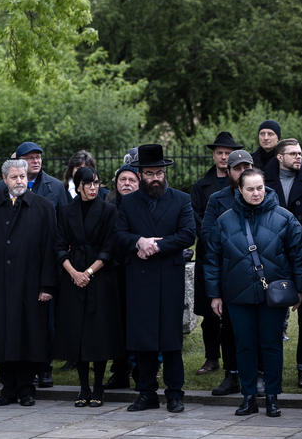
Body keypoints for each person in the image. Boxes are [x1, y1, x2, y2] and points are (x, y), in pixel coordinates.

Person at [206, 168, 302, 417]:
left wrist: (301, 289)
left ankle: (272, 398)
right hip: (237, 295)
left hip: (273, 295)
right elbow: (212, 259)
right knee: (245, 346)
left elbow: (300, 254)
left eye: (259, 188)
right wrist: (215, 294)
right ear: (239, 190)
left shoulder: (284, 218)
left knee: (272, 345)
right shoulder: (224, 220)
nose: (255, 193)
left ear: (266, 188)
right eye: (250, 188)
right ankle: (249, 397)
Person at [116, 144, 196, 413]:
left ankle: (175, 393)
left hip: (169, 278)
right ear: (140, 175)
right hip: (139, 280)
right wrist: (138, 241)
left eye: (159, 172)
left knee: (170, 339)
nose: (155, 178)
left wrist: (157, 246)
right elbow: (118, 235)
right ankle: (147, 392)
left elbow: (187, 235)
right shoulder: (128, 202)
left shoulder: (181, 200)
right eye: (149, 173)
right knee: (143, 339)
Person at [0, 159, 57, 407]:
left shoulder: (43, 206)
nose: (19, 181)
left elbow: (50, 249)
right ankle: (8, 388)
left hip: (31, 285)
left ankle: (27, 388)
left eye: (22, 176)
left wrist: (47, 286)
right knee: (2, 336)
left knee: (29, 335)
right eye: (14, 177)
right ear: (4, 178)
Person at [52, 167, 124, 407]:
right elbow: (59, 244)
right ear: (78, 186)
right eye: (88, 184)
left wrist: (89, 272)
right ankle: (83, 387)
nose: (93, 188)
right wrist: (73, 272)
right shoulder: (65, 211)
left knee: (98, 333)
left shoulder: (109, 210)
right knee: (78, 333)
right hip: (73, 277)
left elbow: (110, 246)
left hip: (100, 277)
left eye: (96, 183)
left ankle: (99, 386)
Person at [200, 149, 254, 396]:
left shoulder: (263, 194)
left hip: (257, 272)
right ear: (229, 172)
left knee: (260, 328)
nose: (243, 172)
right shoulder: (217, 199)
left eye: (247, 167)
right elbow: (208, 235)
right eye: (238, 168)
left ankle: (260, 375)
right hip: (229, 272)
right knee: (229, 327)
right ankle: (231, 375)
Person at [191, 132, 243, 377]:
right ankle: (212, 357)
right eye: (219, 153)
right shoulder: (201, 186)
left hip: (238, 256)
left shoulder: (245, 183)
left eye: (227, 153)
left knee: (236, 312)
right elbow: (198, 219)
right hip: (209, 255)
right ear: (213, 155)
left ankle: (239, 359)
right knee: (210, 312)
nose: (223, 157)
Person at [264, 138, 302, 387]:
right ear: (279, 157)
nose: (298, 157)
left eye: (300, 153)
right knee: (271, 315)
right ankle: (270, 371)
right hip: (273, 255)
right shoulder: (263, 181)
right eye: (293, 153)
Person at [102, 161, 139, 391]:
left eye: (131, 180)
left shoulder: (144, 206)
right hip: (113, 272)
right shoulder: (107, 206)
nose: (126, 184)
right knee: (117, 324)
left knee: (138, 324)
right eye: (122, 180)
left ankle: (141, 372)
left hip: (138, 272)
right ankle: (120, 372)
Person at [0, 142, 68, 212]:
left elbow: (63, 221)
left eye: (38, 157)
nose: (35, 161)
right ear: (18, 161)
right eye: (30, 158)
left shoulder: (56, 186)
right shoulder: (1, 186)